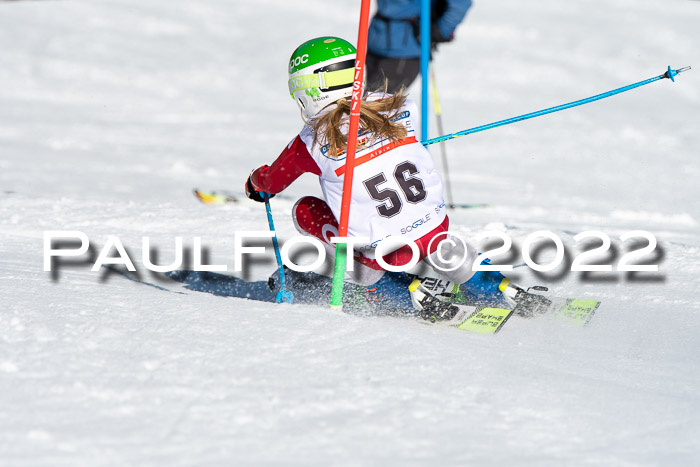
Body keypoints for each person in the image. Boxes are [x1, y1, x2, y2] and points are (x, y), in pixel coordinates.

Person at [245, 36, 546, 320]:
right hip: (435, 225)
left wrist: (255, 182)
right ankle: (494, 286)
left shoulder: (309, 143)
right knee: (438, 241)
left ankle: (383, 289)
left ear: (309, 90)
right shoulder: (398, 104)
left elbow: (270, 183)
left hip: (381, 249)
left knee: (305, 210)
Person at [366, 0, 472, 93]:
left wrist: (440, 31)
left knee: (373, 106)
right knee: (362, 102)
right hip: (375, 43)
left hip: (405, 53)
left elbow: (461, 3)